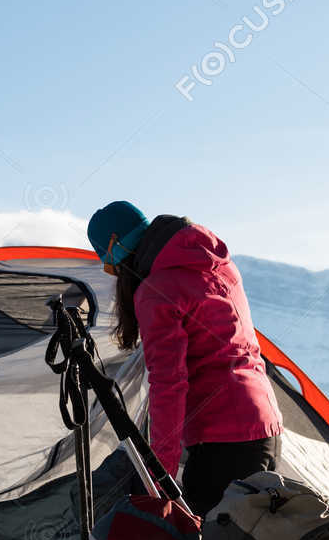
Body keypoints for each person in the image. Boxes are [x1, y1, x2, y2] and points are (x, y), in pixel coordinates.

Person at [87, 201, 283, 516]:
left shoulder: (155, 291)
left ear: (117, 256)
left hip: (221, 442)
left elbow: (169, 384)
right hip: (265, 427)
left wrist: (159, 477)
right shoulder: (217, 263)